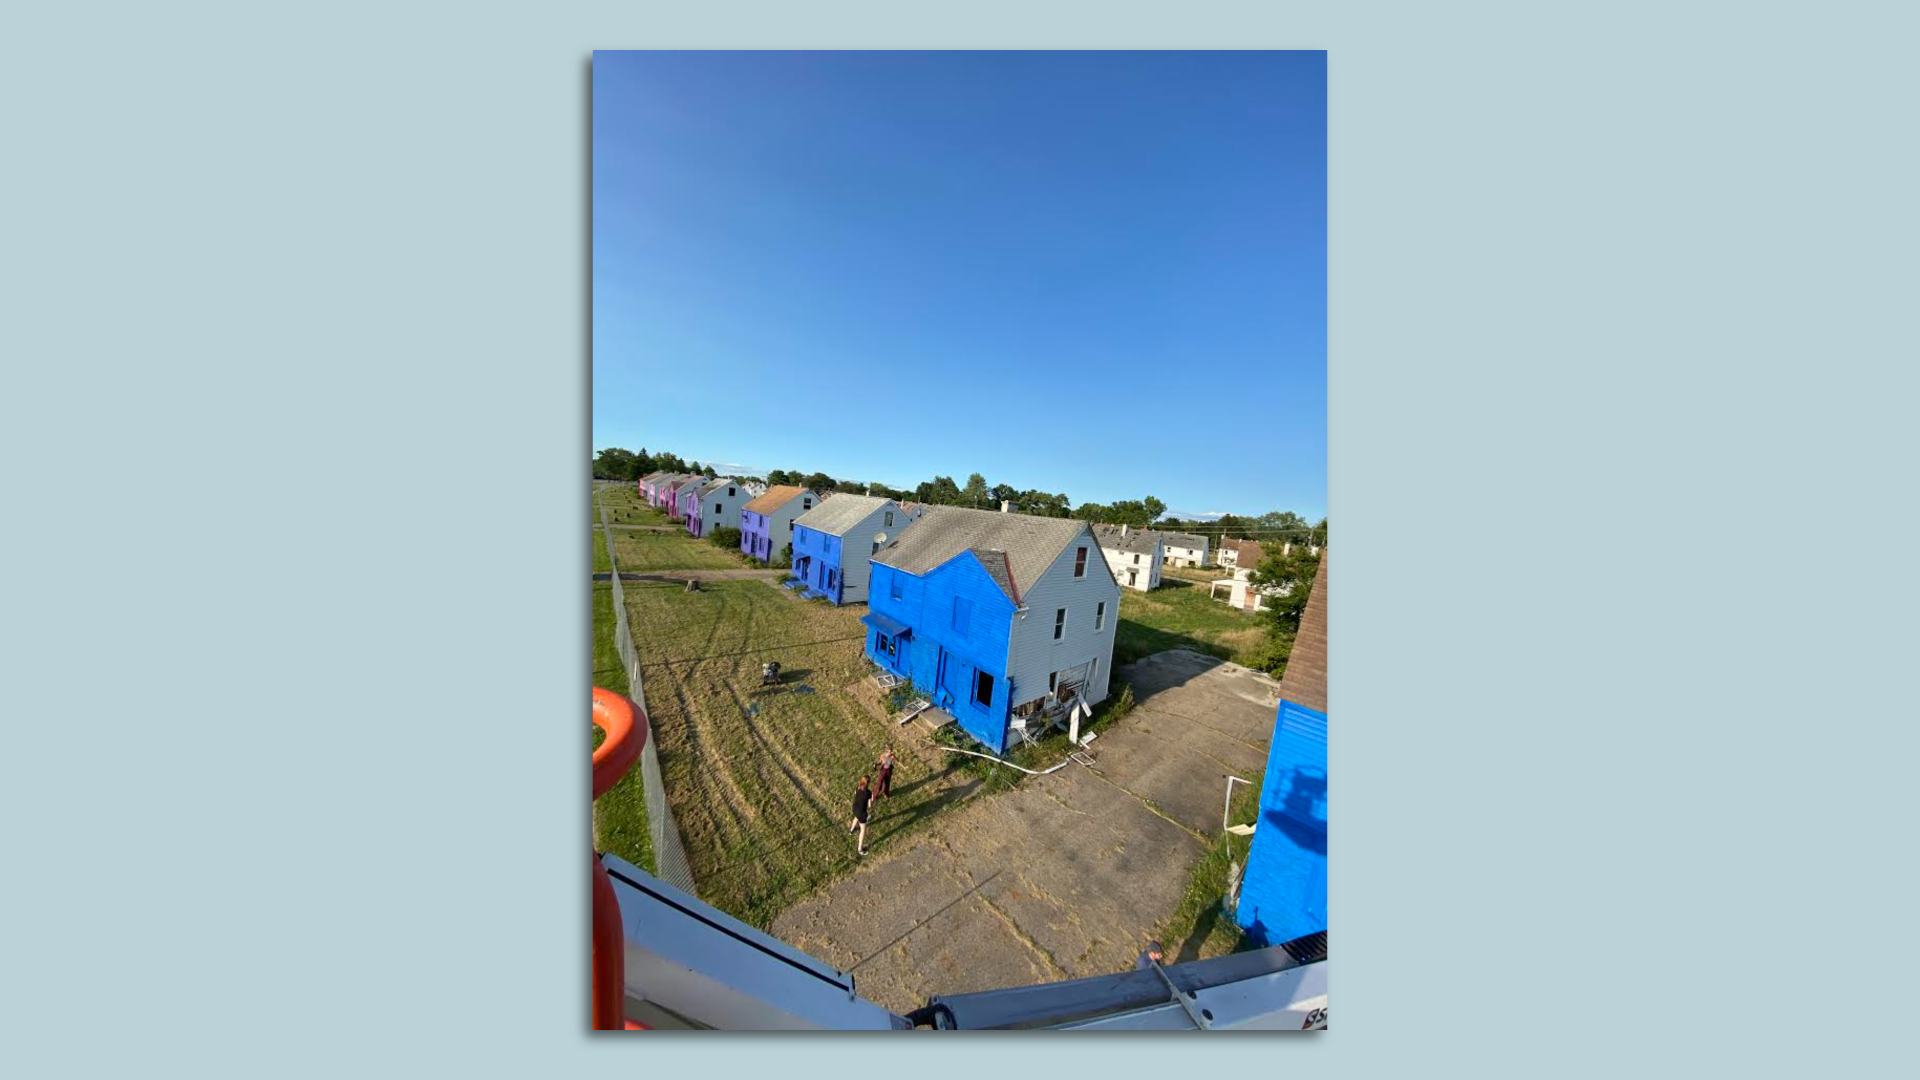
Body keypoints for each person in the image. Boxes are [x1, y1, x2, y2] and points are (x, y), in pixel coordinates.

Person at [848, 775, 872, 856]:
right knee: (863, 830)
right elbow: (869, 805)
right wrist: (872, 800)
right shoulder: (868, 792)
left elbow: (856, 794)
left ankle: (851, 831)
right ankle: (860, 849)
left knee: (856, 817)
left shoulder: (857, 788)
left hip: (855, 808)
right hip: (862, 813)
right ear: (868, 783)